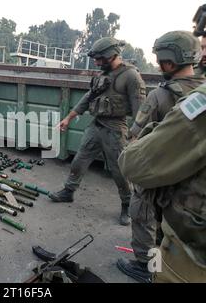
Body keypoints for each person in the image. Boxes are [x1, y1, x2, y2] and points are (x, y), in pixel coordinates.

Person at [116, 31, 205, 283]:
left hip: (154, 171)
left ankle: (145, 265)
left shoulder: (160, 95)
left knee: (142, 216)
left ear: (169, 61)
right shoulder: (200, 89)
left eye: (160, 59)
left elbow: (135, 137)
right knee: (167, 224)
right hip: (187, 187)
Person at [49, 37, 146, 226]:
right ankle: (68, 192)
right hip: (96, 125)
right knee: (79, 160)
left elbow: (140, 112)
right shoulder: (103, 74)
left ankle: (126, 205)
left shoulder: (131, 77)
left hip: (116, 129)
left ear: (111, 56)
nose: (97, 62)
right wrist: (69, 118)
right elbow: (88, 97)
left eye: (100, 58)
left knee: (120, 172)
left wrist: (135, 137)